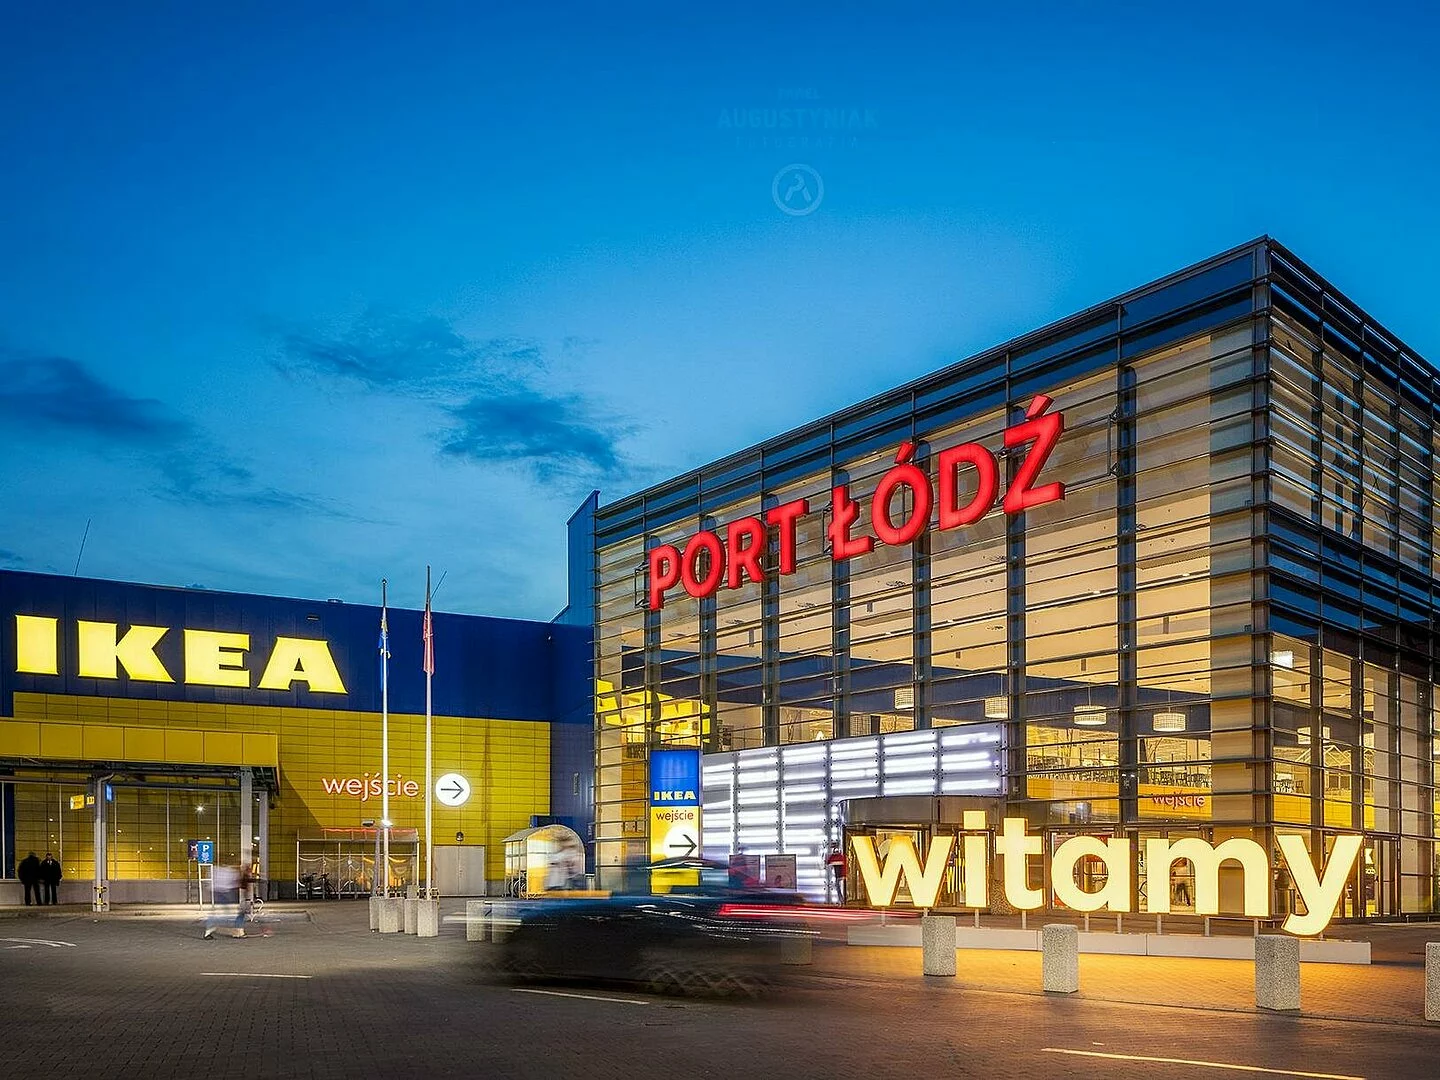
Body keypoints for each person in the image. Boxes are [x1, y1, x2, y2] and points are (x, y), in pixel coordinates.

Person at [203, 863, 254, 939]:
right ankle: (237, 931)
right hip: (227, 895)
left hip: (221, 894)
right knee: (232, 914)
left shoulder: (218, 871)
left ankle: (211, 928)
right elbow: (239, 886)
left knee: (228, 913)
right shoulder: (234, 873)